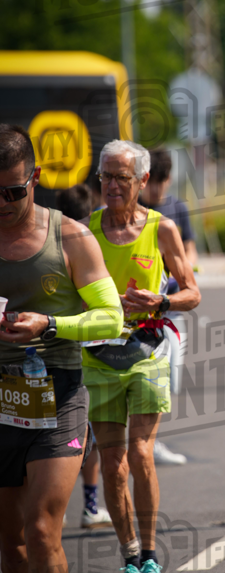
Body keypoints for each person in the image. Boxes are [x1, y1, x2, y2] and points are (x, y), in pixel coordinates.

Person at [0, 125, 123, 573]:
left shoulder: (69, 235)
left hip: (57, 394)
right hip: (0, 399)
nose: (1, 204)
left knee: (43, 526)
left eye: (11, 193)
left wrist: (50, 325)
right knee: (9, 540)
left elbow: (109, 317)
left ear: (35, 179)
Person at [83, 140, 201, 573]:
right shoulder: (83, 231)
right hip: (96, 358)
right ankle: (130, 561)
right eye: (105, 177)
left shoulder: (162, 228)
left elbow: (193, 292)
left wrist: (161, 302)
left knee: (140, 454)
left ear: (143, 182)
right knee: (111, 465)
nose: (112, 186)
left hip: (148, 351)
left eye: (122, 178)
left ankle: (151, 559)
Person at [56, 184, 112, 528]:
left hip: (54, 354)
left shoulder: (48, 243)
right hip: (90, 356)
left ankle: (56, 507)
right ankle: (90, 506)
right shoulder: (92, 244)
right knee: (86, 437)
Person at [140, 149, 198, 465]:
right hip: (141, 311)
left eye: (163, 182)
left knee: (171, 379)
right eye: (153, 183)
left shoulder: (176, 207)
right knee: (146, 377)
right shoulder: (133, 211)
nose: (157, 190)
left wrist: (188, 268)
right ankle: (147, 443)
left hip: (173, 307)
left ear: (169, 179)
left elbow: (189, 246)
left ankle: (152, 440)